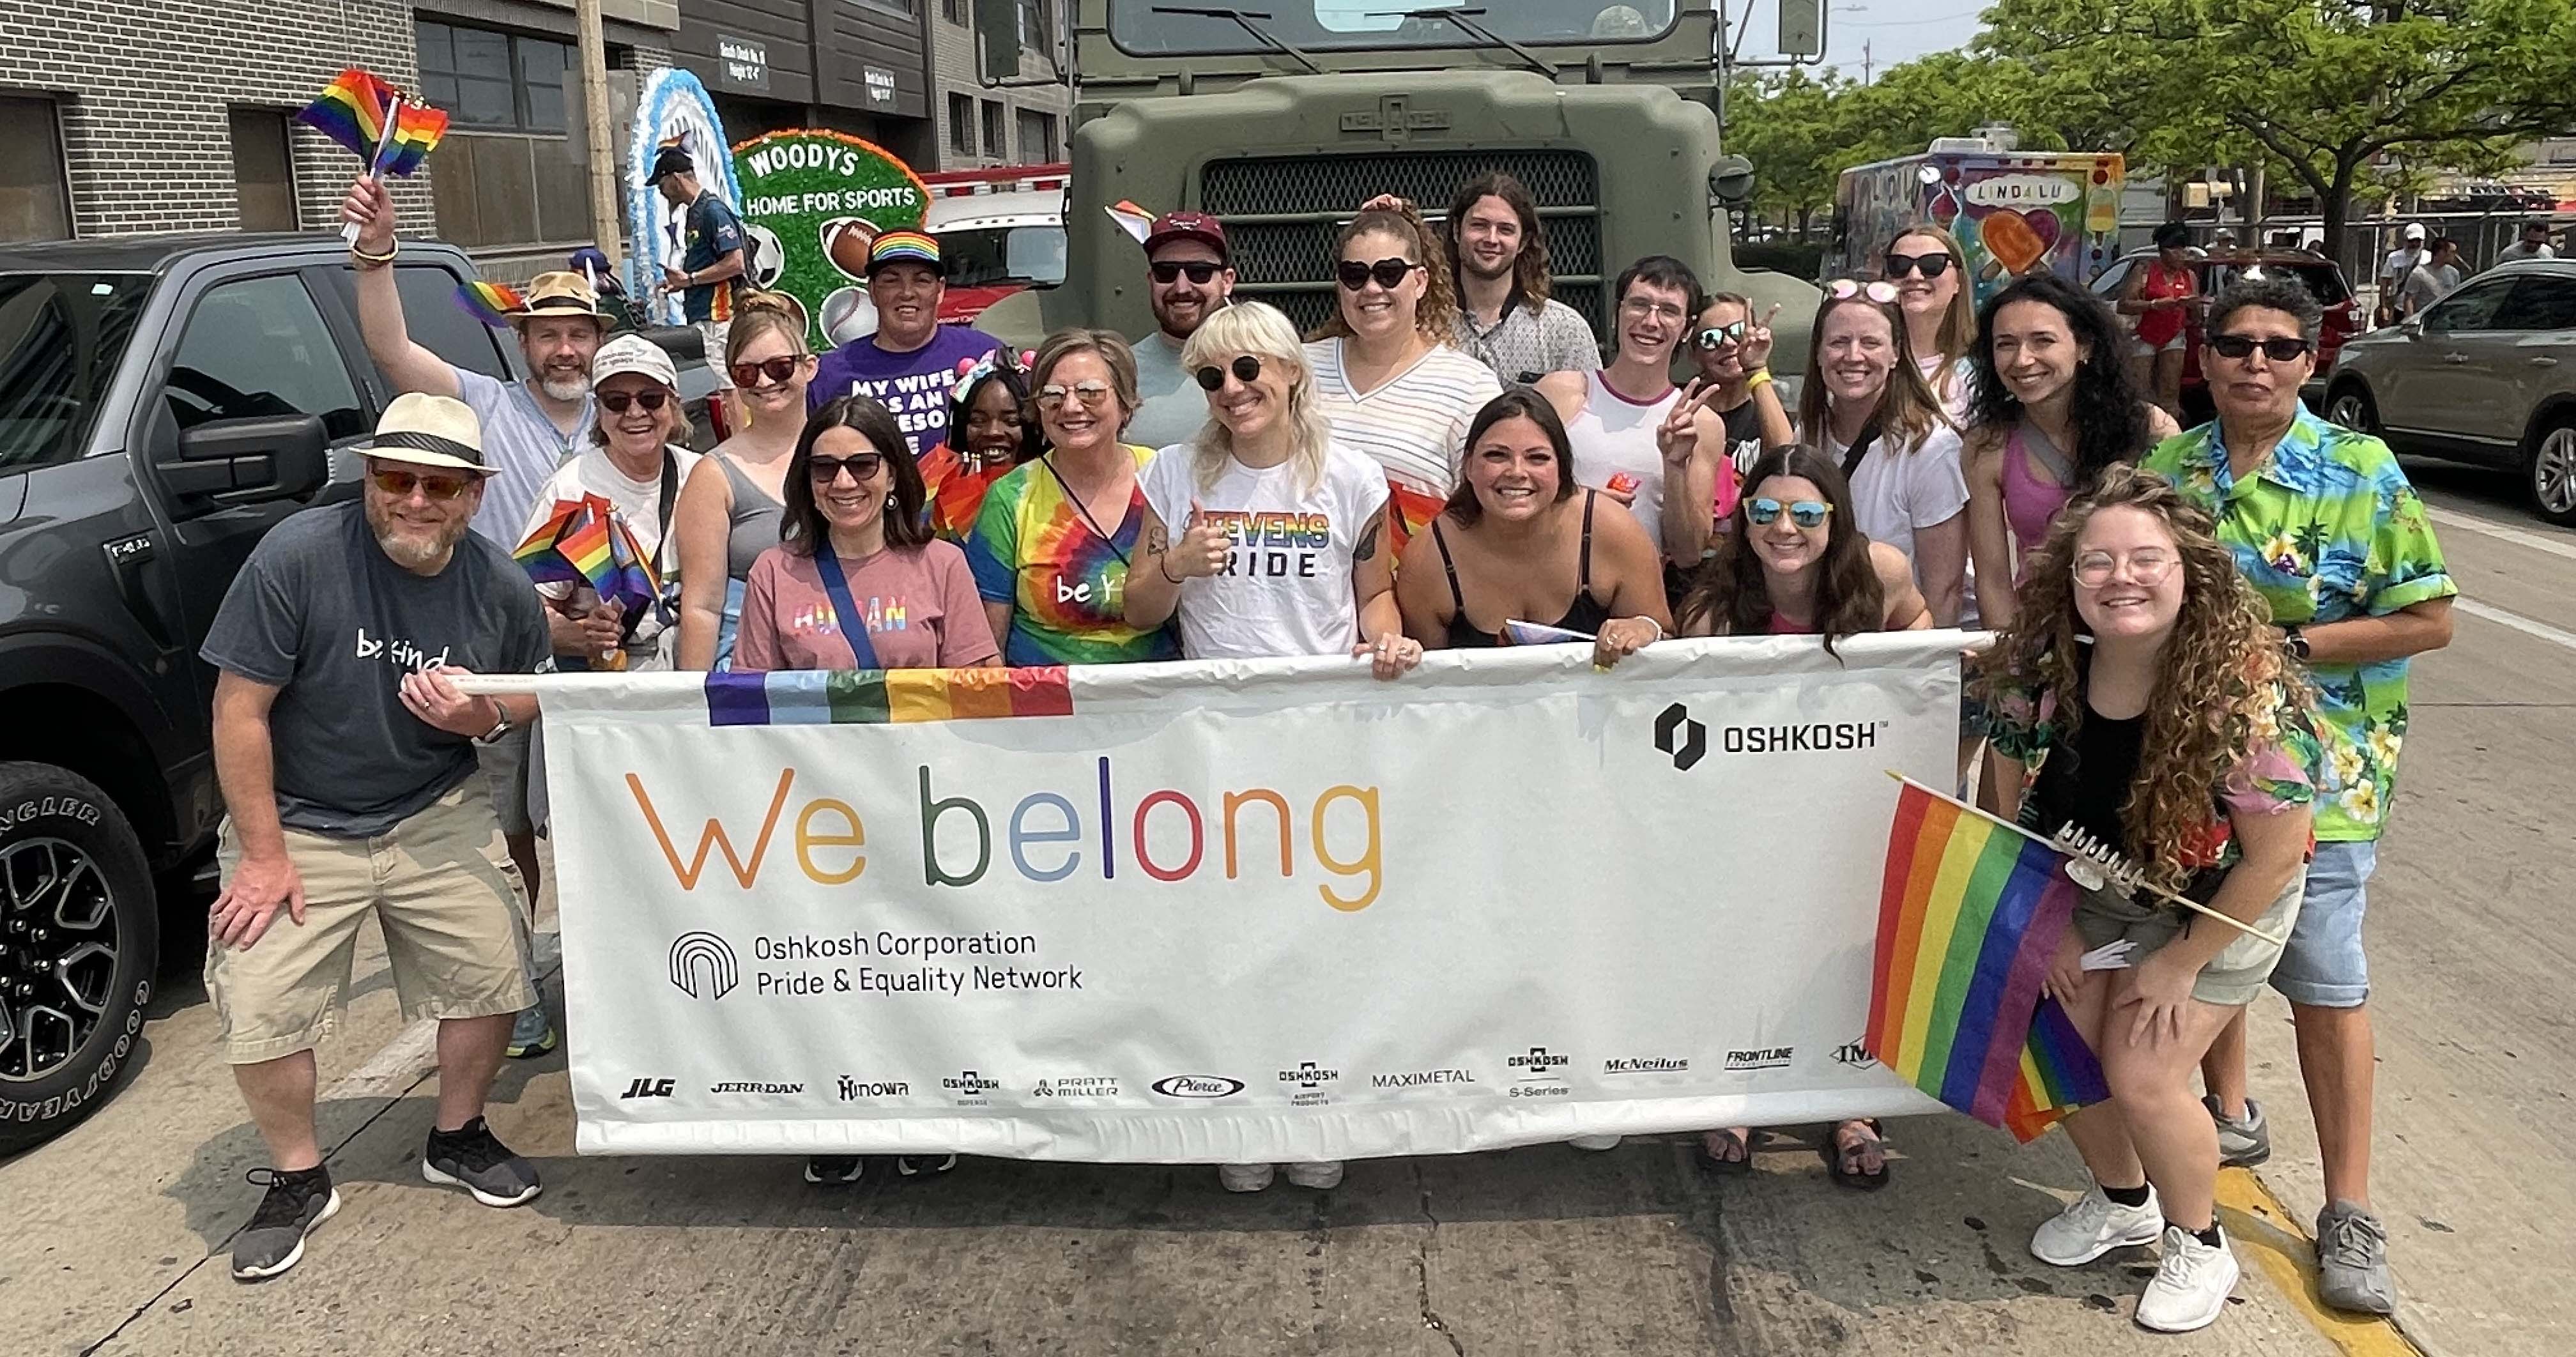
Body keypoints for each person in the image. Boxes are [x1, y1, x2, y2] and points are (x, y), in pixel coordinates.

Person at [2143, 276, 2456, 1317]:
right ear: (2205, 354)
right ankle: (2228, 1109)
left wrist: (2284, 646)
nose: (2257, 362)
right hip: (2194, 763)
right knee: (2211, 932)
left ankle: (2349, 1207)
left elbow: (2428, 618)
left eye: (2280, 347)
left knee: (2323, 978)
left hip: (2322, 774)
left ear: (2309, 358)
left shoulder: (2356, 470)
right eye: (2236, 344)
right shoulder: (2172, 469)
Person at [200, 394, 549, 1282]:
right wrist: (266, 854)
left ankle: (458, 1136)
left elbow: (526, 696)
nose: (417, 501)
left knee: (493, 962)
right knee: (260, 989)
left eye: (441, 485)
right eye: (398, 478)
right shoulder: (298, 556)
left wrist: (484, 713)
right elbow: (238, 710)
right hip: (301, 814)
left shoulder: (500, 585)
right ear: (370, 477)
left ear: (474, 495)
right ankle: (297, 1175)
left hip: (432, 804)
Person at [1981, 466, 2321, 1335]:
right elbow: (2003, 800)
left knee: (2143, 1072)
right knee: (2053, 1036)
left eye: (2145, 558)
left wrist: (2178, 962)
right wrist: (2041, 922)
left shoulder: (2243, 694)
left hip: (2220, 904)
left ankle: (2200, 1242)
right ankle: (2124, 1199)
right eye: (2097, 562)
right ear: (2069, 575)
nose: (2120, 578)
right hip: (2095, 885)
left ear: (2190, 570)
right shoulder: (2046, 671)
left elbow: (2275, 858)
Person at [1123, 303, 1418, 1192]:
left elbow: (1374, 598)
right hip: (1214, 746)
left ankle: (1317, 1107)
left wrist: (1386, 640)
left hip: (1323, 742)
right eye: (1211, 378)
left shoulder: (1356, 480)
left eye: (1248, 371)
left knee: (1320, 934)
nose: (1232, 391)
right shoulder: (1172, 476)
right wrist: (1175, 569)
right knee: (1231, 937)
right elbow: (1138, 608)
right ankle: (1241, 1111)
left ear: (1291, 372)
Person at [341, 172, 606, 1049]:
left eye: (578, 334)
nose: (563, 350)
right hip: (500, 655)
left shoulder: (631, 413)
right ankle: (516, 976)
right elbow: (390, 351)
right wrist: (378, 251)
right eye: (548, 336)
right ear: (521, 342)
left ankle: (611, 976)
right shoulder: (479, 405)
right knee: (505, 827)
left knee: (602, 824)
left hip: (607, 656)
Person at [1613, 445, 1924, 1178]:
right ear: (1744, 519)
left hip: (1851, 796)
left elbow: (1921, 631)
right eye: (1766, 510)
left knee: (1848, 942)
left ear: (1835, 519)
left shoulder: (1881, 572)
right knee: (1745, 941)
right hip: (1749, 814)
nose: (1786, 527)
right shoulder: (1719, 605)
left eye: (1807, 513)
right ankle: (1741, 1095)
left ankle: (1854, 1102)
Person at [1963, 273, 2179, 630]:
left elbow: (2181, 552)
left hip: (2137, 630)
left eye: (2042, 341)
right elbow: (1993, 581)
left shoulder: (2152, 430)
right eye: (2005, 344)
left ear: (2084, 347)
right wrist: (2011, 670)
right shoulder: (1986, 446)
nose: (2023, 359)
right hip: (2045, 636)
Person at [1396, 388, 1669, 657]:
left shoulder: (1611, 529)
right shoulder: (1429, 556)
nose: (1517, 472)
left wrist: (1644, 629)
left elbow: (1668, 641)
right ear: (1468, 467)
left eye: (1537, 458)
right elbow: (1425, 685)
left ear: (1562, 469)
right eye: (1496, 455)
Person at [965, 330, 1179, 665]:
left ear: (1125, 403)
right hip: (1046, 705)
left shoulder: (1164, 477)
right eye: (1053, 395)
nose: (1071, 407)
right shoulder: (1010, 498)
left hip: (1155, 702)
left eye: (1090, 392)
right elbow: (988, 642)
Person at [1307, 201, 1505, 552]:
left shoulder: (1470, 387)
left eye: (1389, 273)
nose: (1371, 289)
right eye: (1355, 274)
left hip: (1415, 594)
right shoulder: (1298, 369)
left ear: (1420, 282)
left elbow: (1486, 512)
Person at [521, 334, 703, 673]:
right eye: (616, 401)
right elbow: (527, 605)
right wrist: (581, 634)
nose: (635, 413)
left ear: (674, 404)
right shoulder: (572, 488)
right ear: (599, 410)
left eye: (651, 399)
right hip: (604, 684)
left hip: (687, 669)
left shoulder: (703, 476)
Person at [1797, 279, 1969, 626]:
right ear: (1818, 354)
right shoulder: (1809, 435)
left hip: (1902, 644)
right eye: (1839, 342)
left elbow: (1943, 590)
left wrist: (1926, 671)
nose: (1853, 356)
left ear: (1895, 354)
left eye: (1871, 343)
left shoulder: (1931, 447)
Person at [1538, 256, 1704, 586]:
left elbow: (1689, 553)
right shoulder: (1561, 393)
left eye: (1669, 311)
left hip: (1640, 595)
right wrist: (1582, 504)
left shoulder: (1699, 422)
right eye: (1639, 305)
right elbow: (1510, 494)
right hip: (1551, 584)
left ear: (1688, 329)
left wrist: (1675, 466)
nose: (1651, 321)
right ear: (1617, 315)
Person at [673, 294, 813, 671]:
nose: (765, 381)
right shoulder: (714, 474)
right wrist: (698, 706)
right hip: (750, 670)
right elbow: (701, 607)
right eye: (748, 373)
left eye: (780, 367)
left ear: (810, 367)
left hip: (843, 663)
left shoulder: (847, 453)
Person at [808, 231, 1004, 456]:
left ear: (939, 290)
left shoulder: (985, 355)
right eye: (891, 281)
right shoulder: (830, 374)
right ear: (872, 291)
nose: (907, 293)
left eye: (921, 280)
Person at [1663, 293, 1795, 571]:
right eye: (1711, 339)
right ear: (1694, 354)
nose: (1729, 344)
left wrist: (1757, 370)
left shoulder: (1770, 404)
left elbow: (1788, 462)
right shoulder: (1681, 412)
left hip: (1760, 562)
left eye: (1737, 332)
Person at [1439, 173, 1601, 384]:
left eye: (1505, 230)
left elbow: (1591, 410)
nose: (1492, 239)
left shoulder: (1564, 330)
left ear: (1523, 242)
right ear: (1456, 231)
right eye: (1479, 225)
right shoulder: (1424, 326)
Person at [1125, 211, 1238, 449]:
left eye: (1199, 272)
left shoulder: (1264, 363)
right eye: (1166, 272)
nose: (1182, 287)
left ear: (1227, 281)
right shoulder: (1119, 370)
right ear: (1150, 281)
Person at [647, 146, 747, 412]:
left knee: (727, 388)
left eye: (661, 182)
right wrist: (679, 282)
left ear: (676, 179)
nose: (660, 190)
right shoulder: (695, 211)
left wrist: (690, 279)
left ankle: (738, 444)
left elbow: (736, 263)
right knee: (719, 387)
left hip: (718, 316)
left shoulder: (713, 210)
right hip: (703, 313)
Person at [919, 347, 1042, 541]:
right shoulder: (941, 481)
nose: (993, 432)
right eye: (978, 421)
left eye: (1011, 422)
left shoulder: (1058, 483)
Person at [1883, 224, 1975, 416]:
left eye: (1933, 264)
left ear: (1958, 281)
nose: (1914, 276)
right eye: (1899, 265)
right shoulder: (1864, 360)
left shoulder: (1982, 370)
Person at [2119, 222, 2201, 420]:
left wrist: (2192, 306)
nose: (2180, 255)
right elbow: (2125, 304)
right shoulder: (2145, 271)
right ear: (2163, 252)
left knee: (2171, 391)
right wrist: (2154, 305)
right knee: (2141, 391)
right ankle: (2141, 430)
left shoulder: (2189, 276)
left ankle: (2169, 431)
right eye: (2174, 250)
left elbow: (2195, 315)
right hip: (2143, 334)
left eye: (2183, 250)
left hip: (2174, 334)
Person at [2398, 236, 2462, 318]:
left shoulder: (2454, 273)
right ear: (2440, 252)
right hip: (2425, 318)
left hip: (2446, 319)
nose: (2453, 255)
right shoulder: (2419, 273)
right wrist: (2411, 321)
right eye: (2451, 252)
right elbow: (2409, 300)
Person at [2376, 223, 2428, 308]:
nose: (2414, 244)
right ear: (2405, 240)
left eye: (2418, 241)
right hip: (2399, 305)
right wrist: (2384, 307)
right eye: (2411, 241)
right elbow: (2385, 283)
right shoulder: (2394, 258)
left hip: (2422, 307)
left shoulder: (2429, 258)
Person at [2494, 219, 2558, 264]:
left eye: (2539, 243)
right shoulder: (2509, 254)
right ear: (2524, 236)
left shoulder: (2547, 252)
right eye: (2530, 241)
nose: (2533, 245)